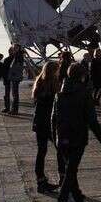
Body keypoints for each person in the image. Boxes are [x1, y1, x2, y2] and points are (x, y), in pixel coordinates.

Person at [51, 62, 101, 202]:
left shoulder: (59, 94)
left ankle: (78, 198)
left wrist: (55, 138)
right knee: (71, 172)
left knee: (71, 170)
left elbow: (53, 119)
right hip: (77, 138)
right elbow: (91, 120)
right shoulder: (84, 94)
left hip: (62, 138)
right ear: (81, 76)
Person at [31, 61, 61, 193]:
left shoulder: (39, 82)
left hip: (39, 122)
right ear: (54, 71)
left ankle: (41, 181)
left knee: (41, 152)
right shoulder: (52, 84)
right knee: (61, 150)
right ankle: (64, 178)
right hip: (48, 122)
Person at [5, 45, 26, 115]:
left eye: (14, 48)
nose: (13, 49)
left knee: (15, 94)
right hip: (15, 76)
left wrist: (12, 74)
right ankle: (14, 109)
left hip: (15, 77)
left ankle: (14, 110)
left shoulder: (18, 56)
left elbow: (16, 67)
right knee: (15, 93)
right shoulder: (19, 55)